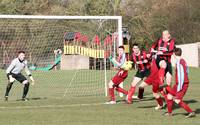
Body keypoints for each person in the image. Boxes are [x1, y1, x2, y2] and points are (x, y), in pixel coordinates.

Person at [164, 48, 195, 118]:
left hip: (182, 84)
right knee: (169, 96)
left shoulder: (178, 62)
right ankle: (169, 113)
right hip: (179, 83)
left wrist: (179, 87)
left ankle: (191, 112)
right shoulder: (183, 61)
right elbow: (187, 71)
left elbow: (181, 76)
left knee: (177, 100)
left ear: (174, 54)